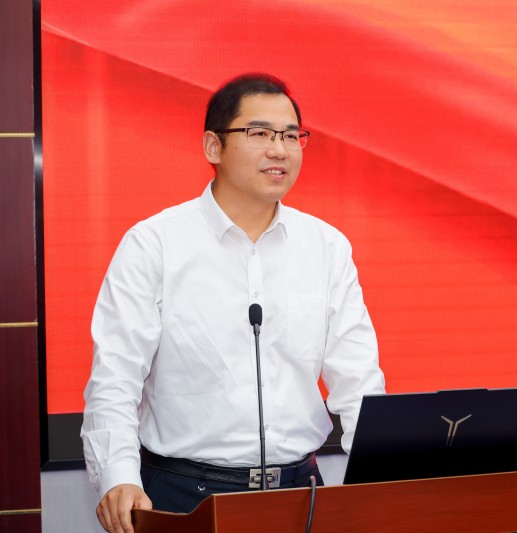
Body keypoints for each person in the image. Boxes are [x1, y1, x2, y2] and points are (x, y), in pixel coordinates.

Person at [81, 73, 386, 533]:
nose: (279, 150)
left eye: (290, 136)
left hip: (301, 495)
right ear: (213, 146)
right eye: (259, 133)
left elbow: (358, 380)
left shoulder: (326, 247)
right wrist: (118, 476)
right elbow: (115, 376)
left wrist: (387, 477)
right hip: (182, 496)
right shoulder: (154, 244)